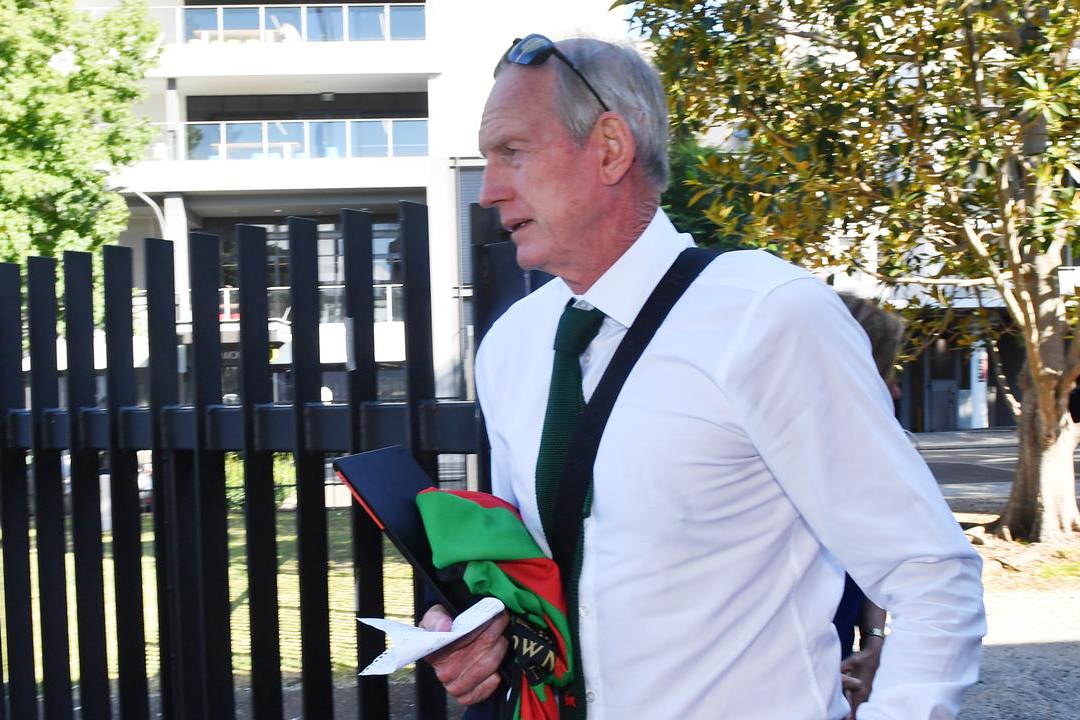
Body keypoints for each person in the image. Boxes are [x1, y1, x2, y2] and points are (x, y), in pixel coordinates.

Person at [420, 34, 986, 719]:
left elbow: (931, 576)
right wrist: (469, 629)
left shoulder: (771, 316)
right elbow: (537, 571)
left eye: (513, 152)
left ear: (608, 147)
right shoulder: (512, 344)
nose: (488, 191)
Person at [831, 293, 906, 719]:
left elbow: (880, 547)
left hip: (839, 646)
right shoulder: (770, 451)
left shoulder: (876, 447)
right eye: (885, 371)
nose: (895, 389)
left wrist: (874, 639)